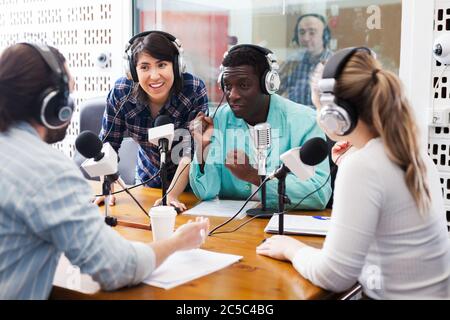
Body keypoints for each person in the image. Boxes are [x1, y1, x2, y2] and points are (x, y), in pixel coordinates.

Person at [0, 43, 209, 299]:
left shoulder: (192, 89)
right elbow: (118, 267)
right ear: (55, 103)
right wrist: (177, 242)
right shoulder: (48, 171)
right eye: (70, 93)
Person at [257, 47, 450, 299]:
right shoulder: (410, 150)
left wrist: (291, 249)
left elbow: (334, 275)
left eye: (318, 108)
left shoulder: (362, 166)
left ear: (334, 114)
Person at [189, 44, 331, 210]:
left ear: (268, 84)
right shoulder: (218, 120)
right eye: (227, 86)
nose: (232, 95)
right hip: (234, 229)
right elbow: (205, 192)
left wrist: (254, 176)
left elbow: (319, 193)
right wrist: (203, 149)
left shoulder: (305, 121)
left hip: (284, 224)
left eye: (243, 85)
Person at [98, 31, 209, 211]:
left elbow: (191, 150)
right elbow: (108, 144)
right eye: (144, 67)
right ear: (133, 71)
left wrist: (172, 194)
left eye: (162, 64)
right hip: (147, 178)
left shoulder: (194, 90)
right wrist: (106, 186)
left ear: (176, 65)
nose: (155, 75)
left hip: (188, 186)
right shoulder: (121, 93)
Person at [278, 13, 333, 107]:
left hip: (322, 119)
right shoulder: (292, 61)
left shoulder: (333, 63)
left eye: (312, 32)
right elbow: (275, 90)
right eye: (302, 32)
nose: (306, 38)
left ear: (325, 36)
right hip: (295, 118)